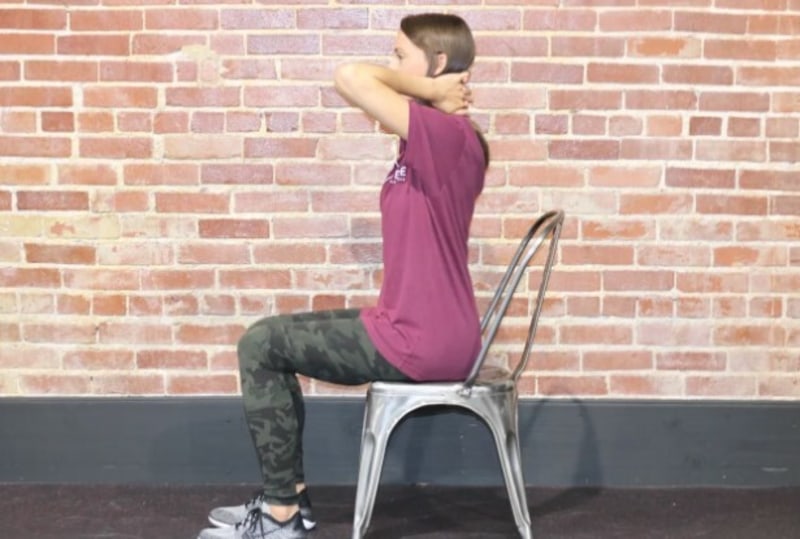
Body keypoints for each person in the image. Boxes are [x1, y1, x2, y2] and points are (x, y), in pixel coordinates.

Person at [196, 12, 489, 539]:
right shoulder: (430, 138)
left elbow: (351, 76)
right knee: (274, 335)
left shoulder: (445, 135)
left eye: (401, 56)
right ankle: (291, 501)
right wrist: (430, 91)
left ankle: (281, 516)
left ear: (437, 63)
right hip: (411, 324)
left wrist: (428, 91)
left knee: (259, 345)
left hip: (422, 338)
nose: (392, 65)